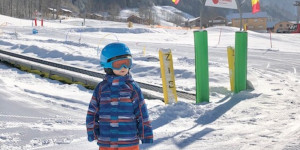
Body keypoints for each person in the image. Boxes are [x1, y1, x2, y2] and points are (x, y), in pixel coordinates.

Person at [86, 42, 153, 150]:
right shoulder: (101, 88)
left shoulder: (132, 88)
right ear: (107, 65)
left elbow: (142, 113)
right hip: (106, 142)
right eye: (118, 64)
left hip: (128, 142)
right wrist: (92, 131)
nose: (124, 67)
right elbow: (92, 112)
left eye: (127, 63)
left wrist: (146, 134)